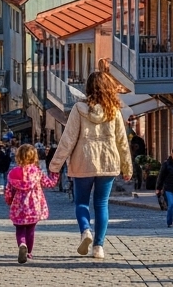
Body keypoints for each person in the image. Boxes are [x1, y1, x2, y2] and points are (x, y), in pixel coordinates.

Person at [49, 70, 133, 260]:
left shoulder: (79, 109)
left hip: (83, 161)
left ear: (88, 89)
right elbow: (122, 142)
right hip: (108, 161)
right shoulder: (114, 112)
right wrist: (127, 167)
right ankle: (98, 247)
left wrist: (55, 166)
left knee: (81, 202)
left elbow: (68, 139)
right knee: (102, 204)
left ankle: (85, 230)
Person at [4, 143, 59, 264]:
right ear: (34, 157)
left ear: (18, 156)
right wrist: (55, 174)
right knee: (30, 230)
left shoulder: (13, 173)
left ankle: (22, 244)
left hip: (19, 206)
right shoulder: (37, 172)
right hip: (34, 206)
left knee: (20, 229)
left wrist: (9, 200)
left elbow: (8, 190)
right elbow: (49, 184)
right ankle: (28, 252)